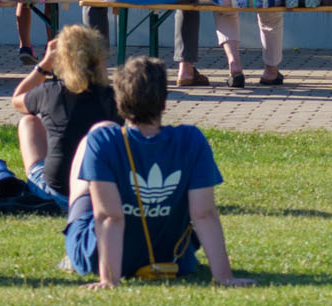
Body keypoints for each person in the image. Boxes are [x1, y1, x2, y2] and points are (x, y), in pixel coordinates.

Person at [62, 56, 252, 289]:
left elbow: (109, 216)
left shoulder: (103, 141)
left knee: (99, 129)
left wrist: (109, 280)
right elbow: (204, 214)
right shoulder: (191, 140)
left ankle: (76, 251)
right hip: (171, 258)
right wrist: (224, 277)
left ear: (118, 102)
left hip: (97, 255)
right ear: (164, 102)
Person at [12, 23, 117, 195]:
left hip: (57, 191)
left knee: (28, 121)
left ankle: (37, 183)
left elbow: (17, 100)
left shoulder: (49, 91)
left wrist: (44, 65)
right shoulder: (113, 97)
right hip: (100, 191)